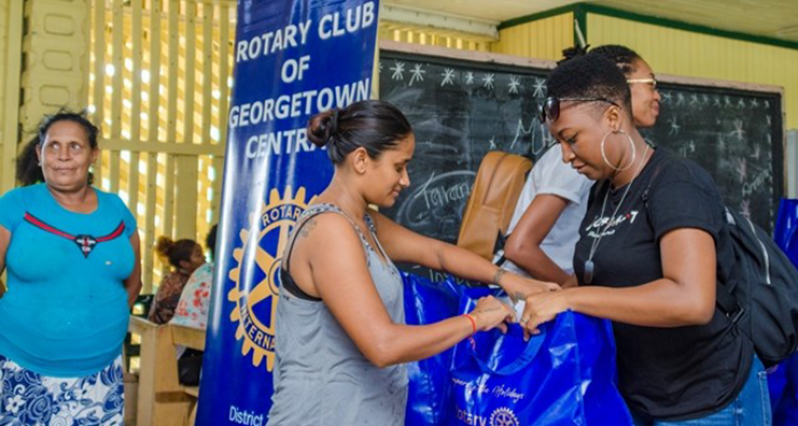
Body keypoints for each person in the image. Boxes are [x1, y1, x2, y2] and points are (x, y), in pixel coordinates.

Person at [267, 99, 559, 425]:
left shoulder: (362, 222)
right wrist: (475, 320)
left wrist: (507, 279)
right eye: (398, 166)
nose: (406, 180)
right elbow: (382, 345)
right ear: (361, 159)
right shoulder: (330, 231)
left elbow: (436, 253)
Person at [519, 52, 770, 425]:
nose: (566, 156)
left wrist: (571, 298)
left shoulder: (675, 182)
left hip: (706, 402)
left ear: (614, 118)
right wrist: (538, 301)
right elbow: (603, 277)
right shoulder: (601, 192)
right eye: (559, 143)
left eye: (572, 139)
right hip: (639, 399)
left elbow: (692, 300)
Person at [0, 111, 142, 424]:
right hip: (21, 366)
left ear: (93, 155)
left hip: (100, 373)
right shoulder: (14, 205)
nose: (63, 156)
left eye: (75, 146)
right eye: (53, 146)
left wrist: (97, 325)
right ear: (39, 154)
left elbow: (133, 284)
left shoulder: (117, 210)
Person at [503, 45, 660, 284]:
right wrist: (573, 295)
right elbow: (519, 246)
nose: (657, 95)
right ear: (619, 86)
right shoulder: (584, 154)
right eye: (650, 83)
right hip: (538, 298)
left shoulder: (614, 162)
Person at [148, 236, 206, 325]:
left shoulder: (171, 277)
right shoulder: (186, 283)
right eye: (198, 255)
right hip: (170, 333)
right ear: (184, 264)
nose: (204, 257)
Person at [171, 224, 217, 330]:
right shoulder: (222, 276)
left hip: (176, 337)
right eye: (198, 255)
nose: (204, 258)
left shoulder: (203, 270)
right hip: (194, 340)